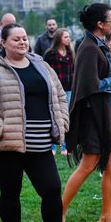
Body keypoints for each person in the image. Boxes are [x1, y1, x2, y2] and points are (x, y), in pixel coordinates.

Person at [0, 23, 75, 222]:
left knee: (51, 189)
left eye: (24, 38)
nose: (22, 42)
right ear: (4, 43)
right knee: (10, 193)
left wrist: (62, 123)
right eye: (16, 39)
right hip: (8, 145)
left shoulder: (41, 65)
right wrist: (1, 130)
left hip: (40, 145)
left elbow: (59, 95)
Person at [62, 3, 111, 222]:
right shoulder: (88, 48)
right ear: (100, 24)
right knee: (88, 165)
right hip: (93, 115)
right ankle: (58, 214)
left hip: (109, 113)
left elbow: (102, 74)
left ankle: (106, 217)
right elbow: (87, 85)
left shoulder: (100, 45)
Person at [44, 28, 75, 156]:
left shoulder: (71, 53)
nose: (68, 39)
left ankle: (65, 145)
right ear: (59, 38)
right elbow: (45, 72)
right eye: (65, 37)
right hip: (55, 90)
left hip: (69, 90)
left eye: (69, 36)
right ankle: (52, 146)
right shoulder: (50, 54)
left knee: (66, 117)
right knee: (54, 117)